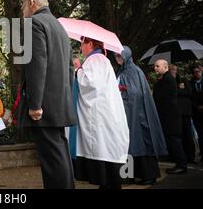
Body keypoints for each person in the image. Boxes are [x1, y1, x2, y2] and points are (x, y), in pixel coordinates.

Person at [17, 0, 76, 189]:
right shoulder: (59, 26)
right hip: (58, 103)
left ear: (31, 3)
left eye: (23, 5)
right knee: (59, 155)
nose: (22, 10)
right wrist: (65, 98)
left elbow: (36, 65)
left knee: (52, 161)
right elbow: (70, 67)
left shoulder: (34, 23)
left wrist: (35, 104)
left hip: (43, 106)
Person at [74, 37, 129, 189]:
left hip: (101, 115)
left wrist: (78, 69)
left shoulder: (95, 59)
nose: (81, 48)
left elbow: (91, 84)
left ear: (90, 44)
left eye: (82, 44)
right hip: (107, 113)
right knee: (108, 150)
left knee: (103, 148)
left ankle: (108, 184)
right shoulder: (101, 60)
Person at [115, 46, 167, 185]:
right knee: (127, 143)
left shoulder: (133, 71)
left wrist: (122, 94)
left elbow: (136, 94)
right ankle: (128, 175)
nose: (117, 58)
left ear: (126, 56)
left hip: (137, 114)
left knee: (141, 143)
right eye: (116, 56)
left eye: (120, 55)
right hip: (126, 113)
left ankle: (149, 175)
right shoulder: (122, 71)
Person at [153, 59, 187, 174]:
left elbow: (161, 97)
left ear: (165, 67)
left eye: (158, 66)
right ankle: (180, 164)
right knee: (173, 140)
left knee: (174, 140)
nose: (155, 68)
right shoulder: (165, 79)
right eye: (155, 66)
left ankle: (181, 165)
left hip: (170, 117)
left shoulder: (168, 79)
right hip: (168, 116)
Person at [170, 65, 196, 163]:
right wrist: (178, 89)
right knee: (178, 135)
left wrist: (178, 90)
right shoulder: (169, 81)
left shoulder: (183, 80)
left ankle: (191, 157)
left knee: (188, 135)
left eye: (174, 70)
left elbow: (189, 92)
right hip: (175, 113)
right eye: (171, 70)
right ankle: (180, 157)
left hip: (185, 112)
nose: (173, 71)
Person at [189, 65, 203, 164]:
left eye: (198, 71)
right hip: (196, 112)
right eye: (194, 72)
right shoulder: (190, 83)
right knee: (200, 135)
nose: (196, 73)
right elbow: (190, 97)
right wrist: (197, 106)